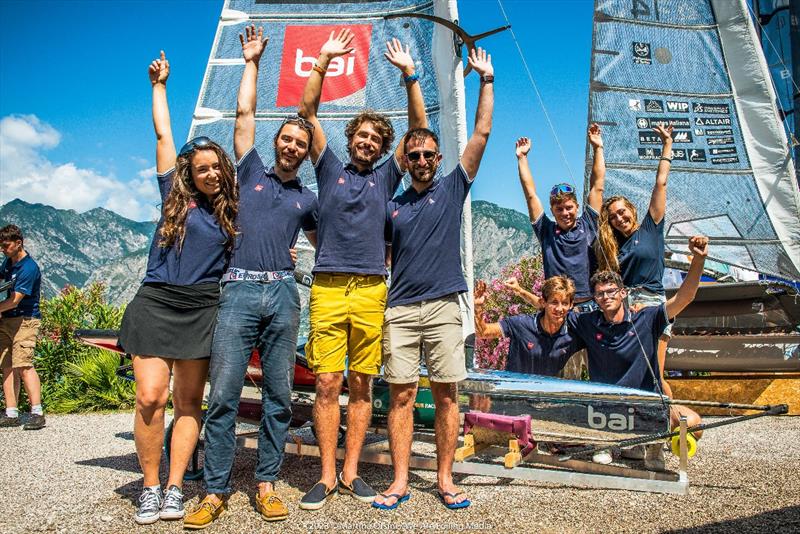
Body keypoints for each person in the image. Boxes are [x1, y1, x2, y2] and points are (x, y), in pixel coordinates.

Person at [184, 26, 319, 529]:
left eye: (299, 143)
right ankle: (215, 491)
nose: (290, 146)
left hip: (283, 293)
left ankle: (265, 483)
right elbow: (244, 116)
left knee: (280, 396)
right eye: (285, 139)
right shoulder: (251, 169)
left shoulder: (307, 198)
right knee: (222, 395)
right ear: (276, 142)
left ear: (306, 152)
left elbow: (327, 244)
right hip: (237, 290)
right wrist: (254, 61)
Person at [297, 30, 427, 510]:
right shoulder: (329, 168)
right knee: (328, 382)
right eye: (362, 136)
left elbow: (418, 130)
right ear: (350, 139)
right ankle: (327, 475)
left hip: (372, 289)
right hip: (328, 286)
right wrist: (324, 61)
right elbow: (307, 114)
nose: (368, 142)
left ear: (381, 147)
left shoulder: (388, 175)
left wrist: (410, 75)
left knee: (361, 384)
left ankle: (352, 473)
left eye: (376, 138)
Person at [118, 51, 238, 525]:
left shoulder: (232, 216)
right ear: (191, 171)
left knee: (190, 402)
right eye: (202, 167)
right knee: (150, 396)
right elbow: (164, 134)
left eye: (217, 168)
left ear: (224, 171)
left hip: (202, 308)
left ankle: (174, 488)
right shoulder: (174, 195)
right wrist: (160, 86)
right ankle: (150, 486)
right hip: (157, 301)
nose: (210, 173)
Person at [373, 47, 494, 511]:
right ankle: (401, 480)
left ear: (439, 157)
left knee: (447, 394)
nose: (422, 159)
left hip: (445, 304)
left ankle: (445, 479)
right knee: (400, 396)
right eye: (414, 154)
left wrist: (487, 81)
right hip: (400, 309)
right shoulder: (394, 204)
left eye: (428, 153)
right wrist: (409, 78)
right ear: (406, 158)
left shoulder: (453, 186)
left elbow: (481, 132)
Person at [569, 235, 708, 470]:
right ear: (595, 299)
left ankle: (653, 441)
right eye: (600, 294)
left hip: (647, 403)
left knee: (693, 424)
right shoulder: (587, 323)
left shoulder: (647, 317)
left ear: (623, 293)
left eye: (611, 291)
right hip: (609, 405)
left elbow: (685, 297)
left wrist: (698, 260)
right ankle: (610, 442)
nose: (606, 297)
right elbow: (555, 314)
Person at [593, 125, 679, 412]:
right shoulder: (612, 248)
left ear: (631, 209)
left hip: (653, 306)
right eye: (613, 217)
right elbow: (596, 191)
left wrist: (667, 144)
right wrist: (598, 148)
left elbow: (661, 183)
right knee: (630, 372)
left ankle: (676, 422)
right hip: (626, 310)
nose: (619, 218)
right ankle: (635, 422)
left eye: (622, 211)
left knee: (655, 372)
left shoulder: (652, 228)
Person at [516, 124, 605, 311]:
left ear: (577, 207)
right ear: (552, 210)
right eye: (559, 209)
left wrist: (598, 148)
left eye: (569, 207)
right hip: (560, 308)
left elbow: (597, 186)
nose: (565, 213)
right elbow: (531, 194)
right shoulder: (546, 230)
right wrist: (522, 158)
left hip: (591, 305)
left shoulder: (588, 223)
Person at [473, 276, 583, 376]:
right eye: (554, 302)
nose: (559, 309)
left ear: (571, 305)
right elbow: (483, 332)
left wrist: (520, 290)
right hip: (516, 393)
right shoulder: (521, 324)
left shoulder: (574, 333)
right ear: (543, 302)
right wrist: (477, 307)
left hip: (547, 395)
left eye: (564, 303)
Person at [0, 224, 45, 431]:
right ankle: (11, 413)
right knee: (7, 366)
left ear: (19, 243)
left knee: (24, 365)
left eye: (6, 245)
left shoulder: (29, 268)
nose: (3, 249)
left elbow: (15, 300)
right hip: (6, 321)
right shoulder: (8, 263)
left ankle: (37, 413)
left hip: (25, 321)